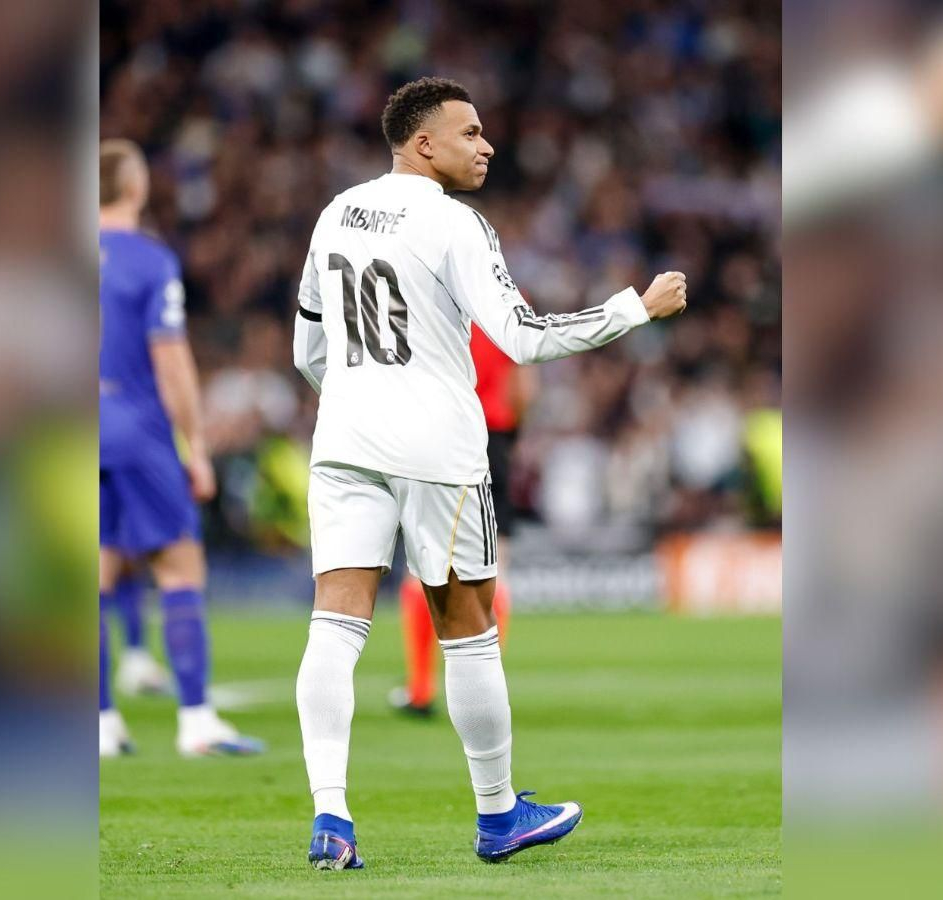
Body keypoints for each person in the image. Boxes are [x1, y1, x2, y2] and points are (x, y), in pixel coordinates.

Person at [291, 77, 686, 869]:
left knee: (335, 625)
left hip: (342, 441)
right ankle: (499, 813)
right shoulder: (454, 223)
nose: (487, 145)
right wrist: (634, 308)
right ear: (422, 142)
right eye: (470, 132)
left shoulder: (335, 213)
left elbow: (308, 350)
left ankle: (331, 817)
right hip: (437, 451)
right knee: (468, 628)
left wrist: (360, 401)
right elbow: (524, 336)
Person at [97, 139, 262, 758]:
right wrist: (194, 447)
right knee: (179, 568)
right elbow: (171, 363)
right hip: (136, 432)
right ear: (135, 189)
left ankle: (101, 725)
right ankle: (196, 720)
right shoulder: (149, 262)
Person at [390, 325, 533, 717]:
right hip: (492, 433)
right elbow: (523, 385)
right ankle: (488, 689)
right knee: (495, 562)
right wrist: (510, 434)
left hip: (440, 433)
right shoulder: (503, 293)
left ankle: (420, 689)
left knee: (421, 562)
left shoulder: (427, 293)